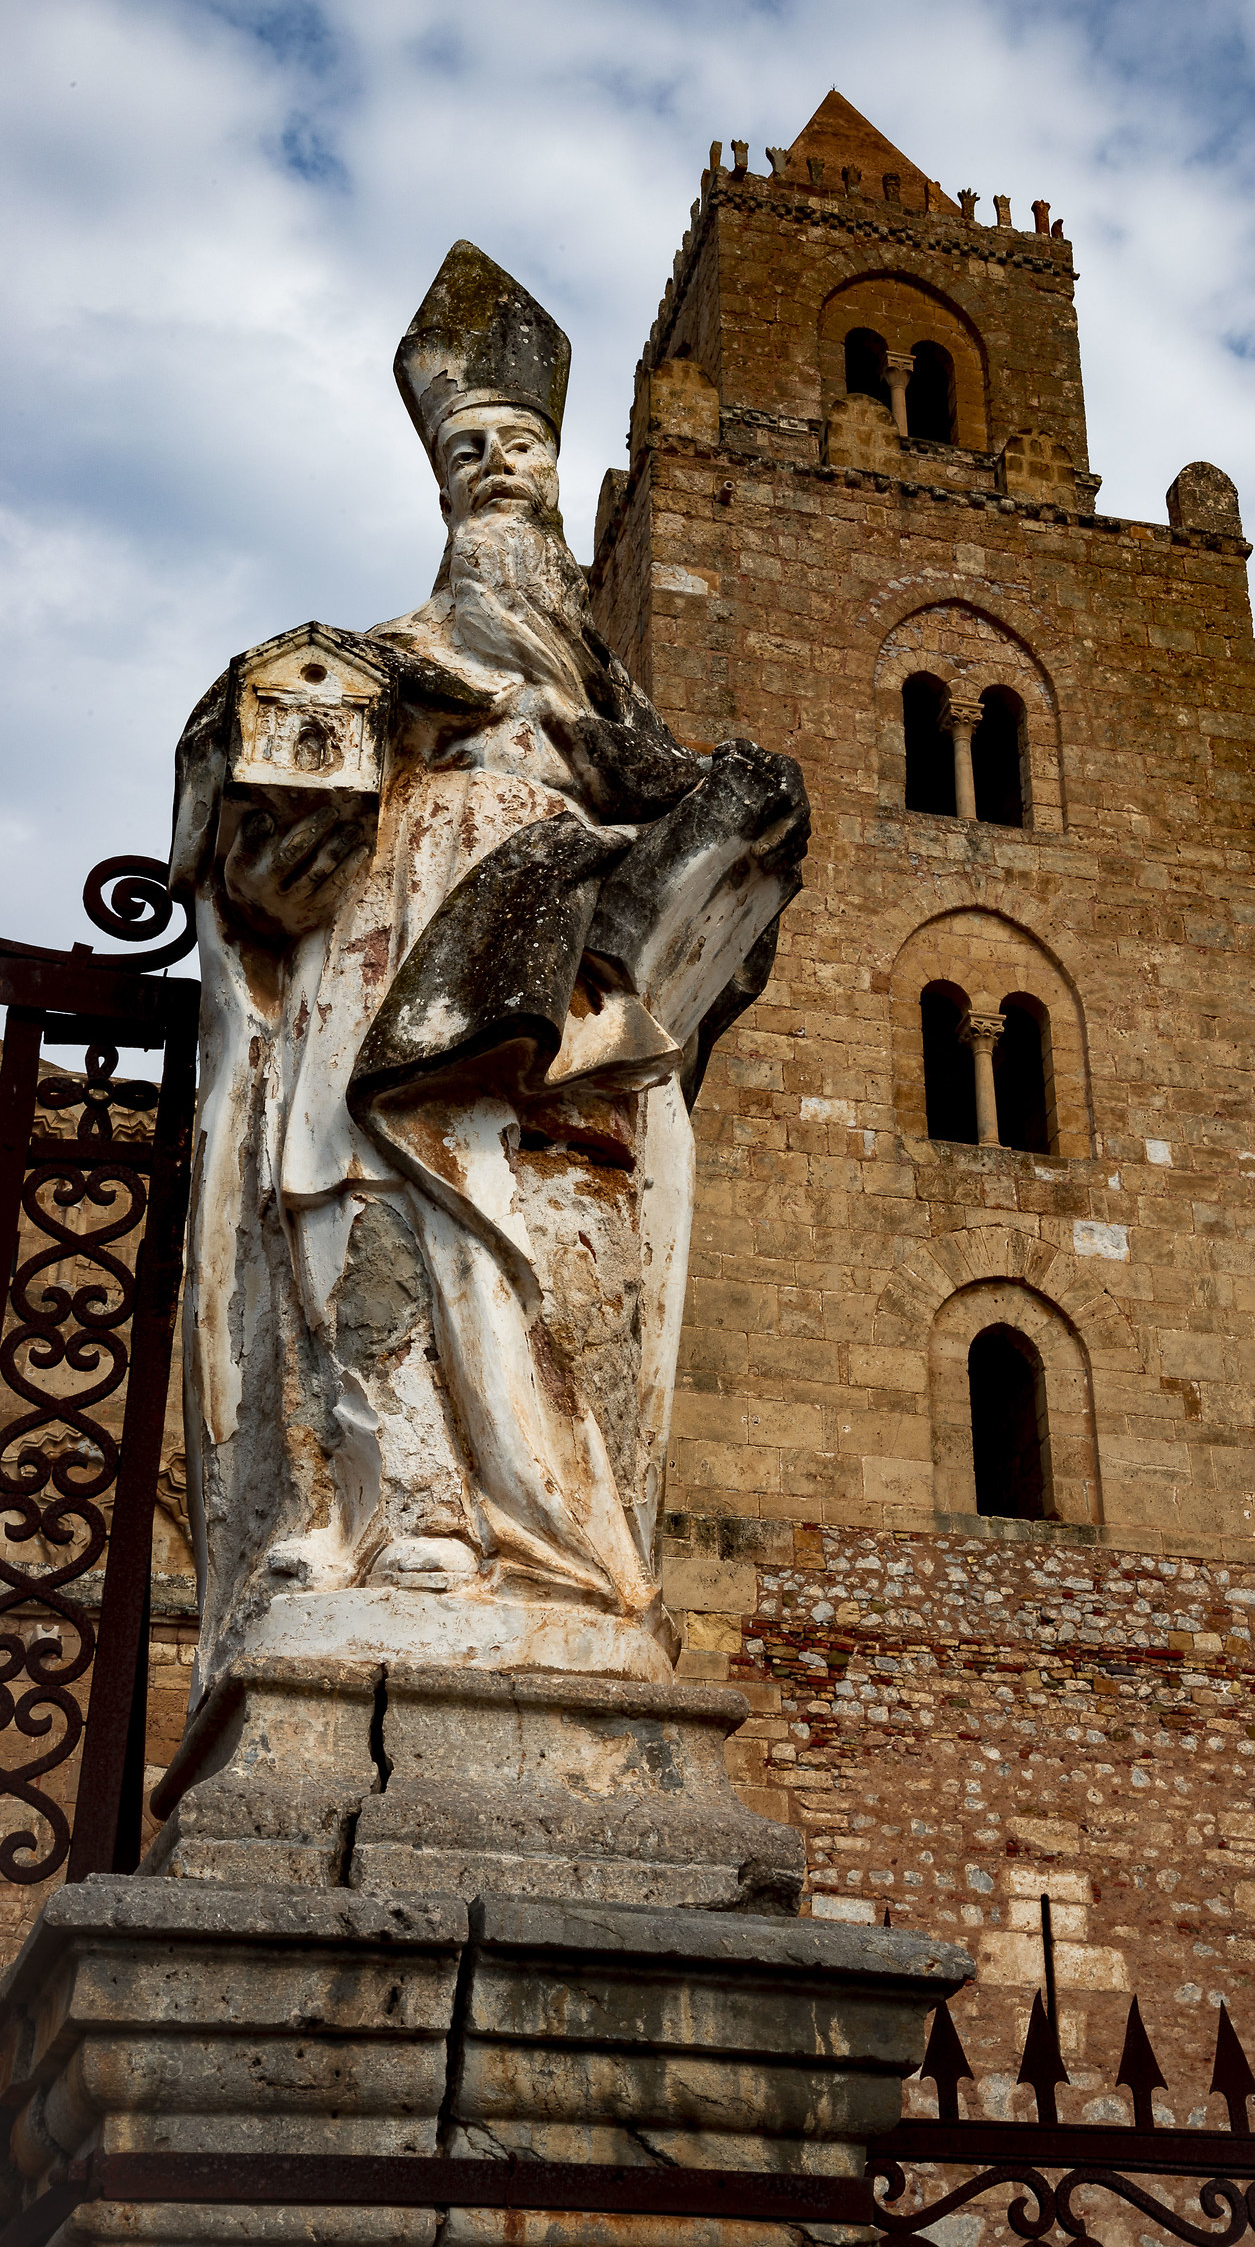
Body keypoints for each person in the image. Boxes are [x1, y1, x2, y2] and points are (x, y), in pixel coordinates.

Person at [170, 240, 807, 1688]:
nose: (499, 465)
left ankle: (551, 1537)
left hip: (547, 1004)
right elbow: (264, 781)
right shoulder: (379, 657)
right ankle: (406, 1512)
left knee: (541, 1257)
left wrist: (728, 827)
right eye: (471, 446)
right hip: (382, 954)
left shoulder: (604, 711)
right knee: (353, 1202)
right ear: (441, 483)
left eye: (520, 442)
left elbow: (701, 851)